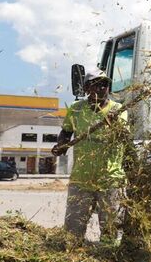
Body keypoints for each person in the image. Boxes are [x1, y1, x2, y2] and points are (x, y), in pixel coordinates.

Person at [52, 68, 129, 243]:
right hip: (81, 178)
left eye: (104, 85)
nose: (101, 88)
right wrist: (61, 145)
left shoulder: (118, 109)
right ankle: (73, 252)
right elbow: (66, 132)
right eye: (96, 85)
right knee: (73, 229)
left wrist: (115, 124)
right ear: (86, 88)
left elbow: (124, 136)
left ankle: (108, 255)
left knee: (111, 228)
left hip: (110, 178)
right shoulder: (76, 109)